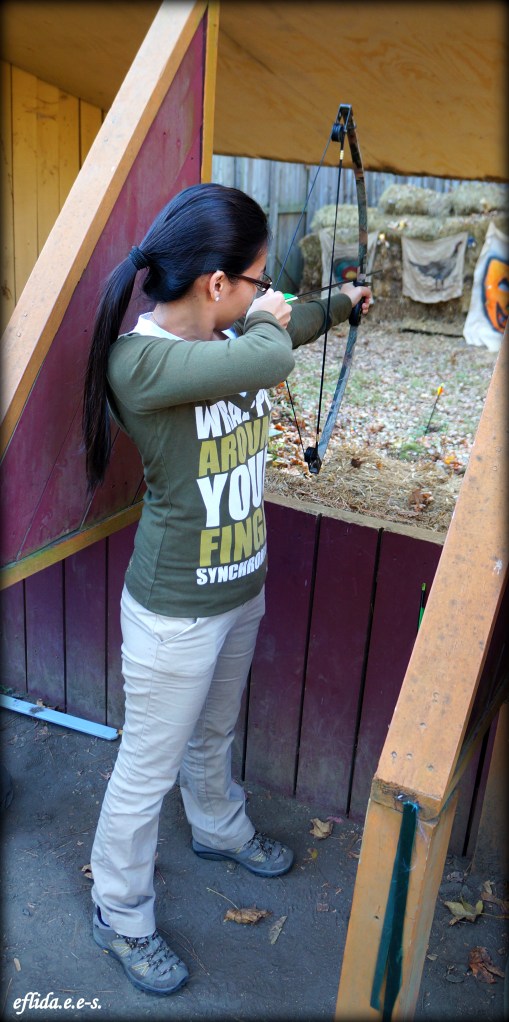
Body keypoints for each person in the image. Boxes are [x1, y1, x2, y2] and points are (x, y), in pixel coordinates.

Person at [82, 182, 371, 997]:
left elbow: (281, 328)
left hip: (240, 586)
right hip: (174, 612)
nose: (264, 293)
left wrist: (341, 303)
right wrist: (271, 320)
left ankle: (216, 826)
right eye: (255, 279)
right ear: (216, 283)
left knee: (213, 733)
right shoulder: (140, 361)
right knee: (146, 768)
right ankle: (119, 911)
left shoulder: (227, 333)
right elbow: (270, 351)